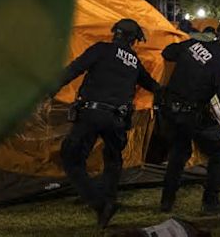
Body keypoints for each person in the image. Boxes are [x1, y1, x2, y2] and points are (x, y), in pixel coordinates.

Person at [53, 18, 160, 229]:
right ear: (133, 40)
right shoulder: (134, 61)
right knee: (113, 159)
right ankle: (108, 198)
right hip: (118, 119)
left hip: (92, 114)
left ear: (115, 33)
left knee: (71, 158)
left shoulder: (101, 49)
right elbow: (151, 84)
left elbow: (74, 69)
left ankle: (98, 202)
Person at [159, 24, 220, 214]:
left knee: (179, 153)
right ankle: (210, 202)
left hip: (170, 111)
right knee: (219, 151)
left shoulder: (192, 45)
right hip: (194, 115)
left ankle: (167, 200)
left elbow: (168, 52)